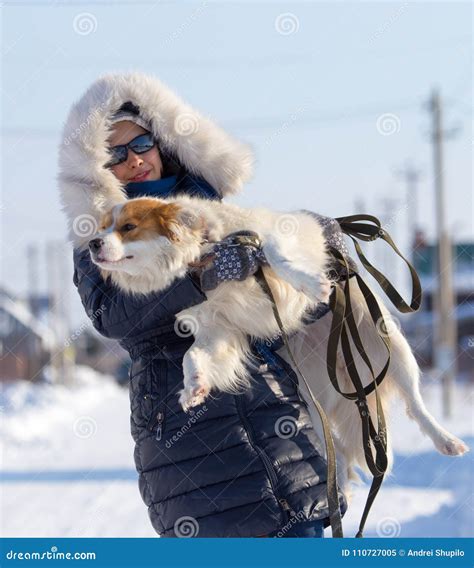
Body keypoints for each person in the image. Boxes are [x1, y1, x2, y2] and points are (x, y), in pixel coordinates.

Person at [58, 72, 349, 538]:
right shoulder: (98, 243)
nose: (133, 160)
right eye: (114, 154)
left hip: (279, 428)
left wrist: (320, 259)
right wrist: (203, 276)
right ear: (98, 171)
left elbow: (287, 316)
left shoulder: (221, 217)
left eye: (141, 144)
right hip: (190, 442)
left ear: (163, 143)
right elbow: (115, 318)